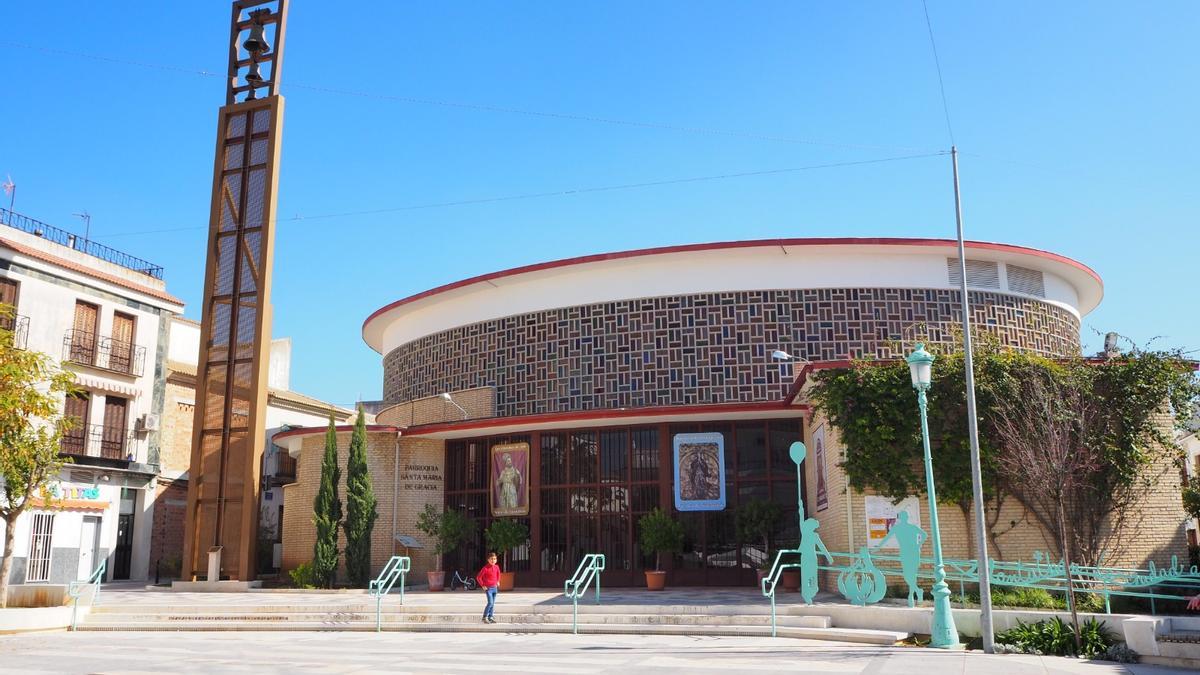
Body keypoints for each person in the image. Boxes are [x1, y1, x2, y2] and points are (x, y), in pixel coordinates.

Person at [476, 551, 501, 623]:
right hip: (488, 589)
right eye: (491, 559)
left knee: (493, 603)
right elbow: (478, 577)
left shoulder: (496, 567)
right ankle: (484, 617)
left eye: (494, 559)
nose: (493, 560)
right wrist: (483, 585)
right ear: (488, 560)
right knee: (490, 603)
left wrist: (498, 581)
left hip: (495, 588)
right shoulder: (485, 568)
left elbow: (498, 575)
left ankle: (491, 617)